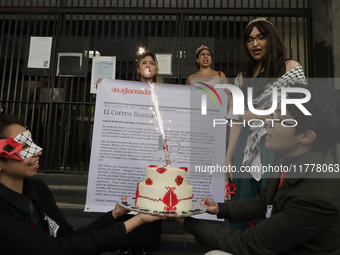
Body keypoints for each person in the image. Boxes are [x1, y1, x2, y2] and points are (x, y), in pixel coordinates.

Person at [176, 83, 340, 254]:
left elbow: (246, 244)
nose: (268, 121)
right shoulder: (288, 156)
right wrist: (219, 208)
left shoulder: (316, 196)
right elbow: (265, 201)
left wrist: (188, 223)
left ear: (305, 136)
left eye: (281, 119)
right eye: (274, 112)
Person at [0, 114, 164, 255]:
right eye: (25, 147)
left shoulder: (38, 189)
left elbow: (69, 237)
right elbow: (61, 250)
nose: (38, 151)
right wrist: (137, 221)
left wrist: (113, 215)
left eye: (32, 143)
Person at [224, 17, 306, 228]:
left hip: (275, 143)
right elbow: (236, 119)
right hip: (245, 146)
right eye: (250, 40)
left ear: (271, 39)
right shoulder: (243, 76)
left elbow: (299, 110)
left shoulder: (290, 67)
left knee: (272, 205)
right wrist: (228, 157)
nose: (255, 44)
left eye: (261, 37)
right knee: (243, 205)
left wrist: (258, 115)